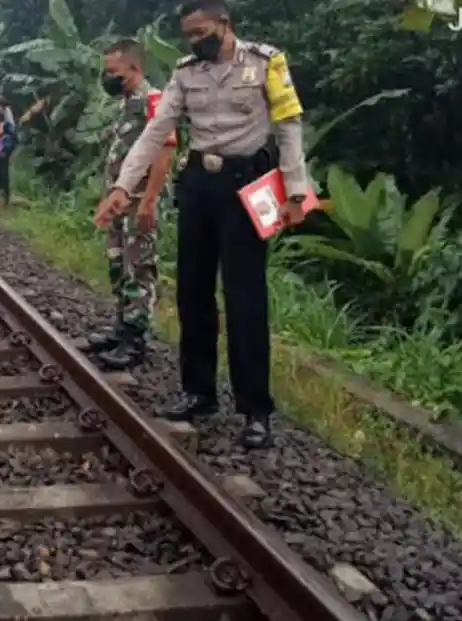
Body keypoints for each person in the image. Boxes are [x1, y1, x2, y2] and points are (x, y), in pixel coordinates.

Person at [93, 0, 309, 449]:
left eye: (200, 32)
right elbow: (156, 131)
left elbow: (288, 126)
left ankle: (255, 410)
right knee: (192, 291)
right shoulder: (185, 73)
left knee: (245, 298)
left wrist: (297, 193)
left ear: (224, 25)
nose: (194, 41)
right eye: (188, 35)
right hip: (198, 185)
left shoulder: (267, 63)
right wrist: (123, 187)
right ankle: (198, 391)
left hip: (247, 184)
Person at [86, 38, 178, 371]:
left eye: (113, 71)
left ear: (134, 68)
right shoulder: (127, 105)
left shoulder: (154, 101)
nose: (107, 77)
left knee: (138, 267)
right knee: (118, 266)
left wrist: (149, 202)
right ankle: (121, 328)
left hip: (140, 201)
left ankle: (135, 340)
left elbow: (164, 151)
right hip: (120, 202)